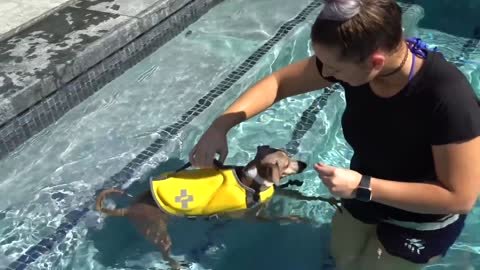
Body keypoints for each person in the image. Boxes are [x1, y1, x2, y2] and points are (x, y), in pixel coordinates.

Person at [189, 0, 480, 269]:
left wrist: (364, 186)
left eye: (334, 67)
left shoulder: (449, 100)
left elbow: (459, 197)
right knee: (343, 259)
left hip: (420, 220)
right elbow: (278, 83)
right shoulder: (357, 65)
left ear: (375, 62)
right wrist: (221, 126)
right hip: (362, 193)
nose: (325, 72)